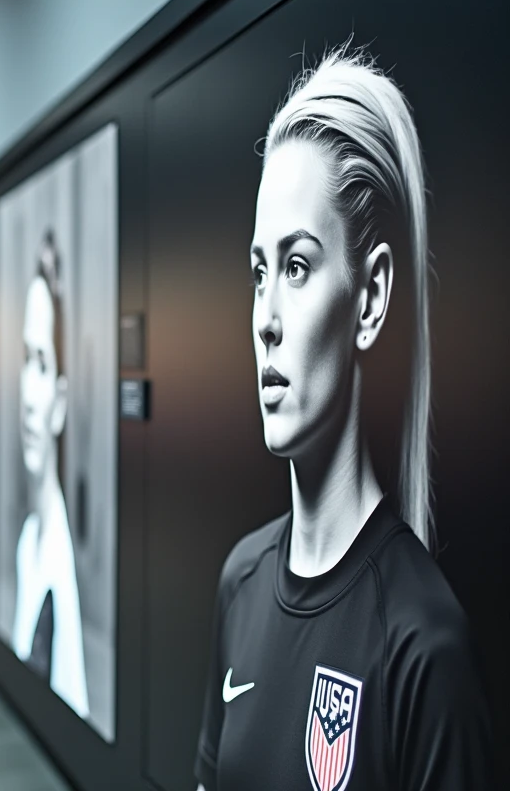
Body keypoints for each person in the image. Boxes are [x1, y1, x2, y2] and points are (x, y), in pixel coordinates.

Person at [194, 46, 495, 791]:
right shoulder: (241, 582)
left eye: (296, 267)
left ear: (369, 299)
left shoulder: (424, 646)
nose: (264, 318)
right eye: (259, 271)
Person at [10, 230, 89, 719]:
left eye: (42, 363)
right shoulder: (27, 545)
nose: (28, 396)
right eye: (24, 360)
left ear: (60, 402)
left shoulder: (64, 578)